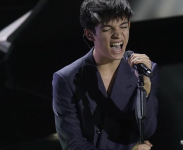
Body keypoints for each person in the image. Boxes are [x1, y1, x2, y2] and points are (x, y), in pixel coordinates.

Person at [52, 0, 159, 149]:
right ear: (90, 34)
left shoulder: (144, 70)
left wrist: (145, 87)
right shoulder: (66, 79)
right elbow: (73, 144)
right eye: (108, 29)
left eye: (123, 26)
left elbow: (147, 131)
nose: (117, 35)